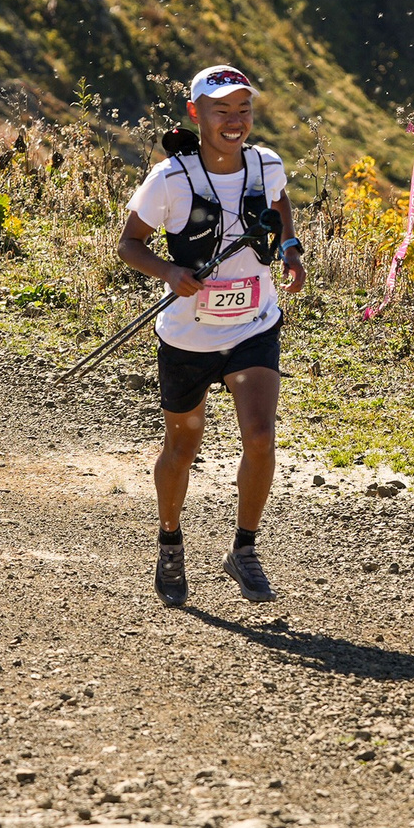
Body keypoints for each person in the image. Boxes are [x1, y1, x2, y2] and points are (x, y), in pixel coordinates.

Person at [116, 64, 306, 607]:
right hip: (188, 337)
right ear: (197, 114)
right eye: (222, 110)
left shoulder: (266, 163)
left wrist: (289, 248)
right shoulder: (171, 179)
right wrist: (170, 273)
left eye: (244, 110)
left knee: (261, 437)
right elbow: (129, 244)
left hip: (253, 325)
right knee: (182, 445)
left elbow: (278, 203)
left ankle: (244, 549)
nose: (235, 121)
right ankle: (170, 541)